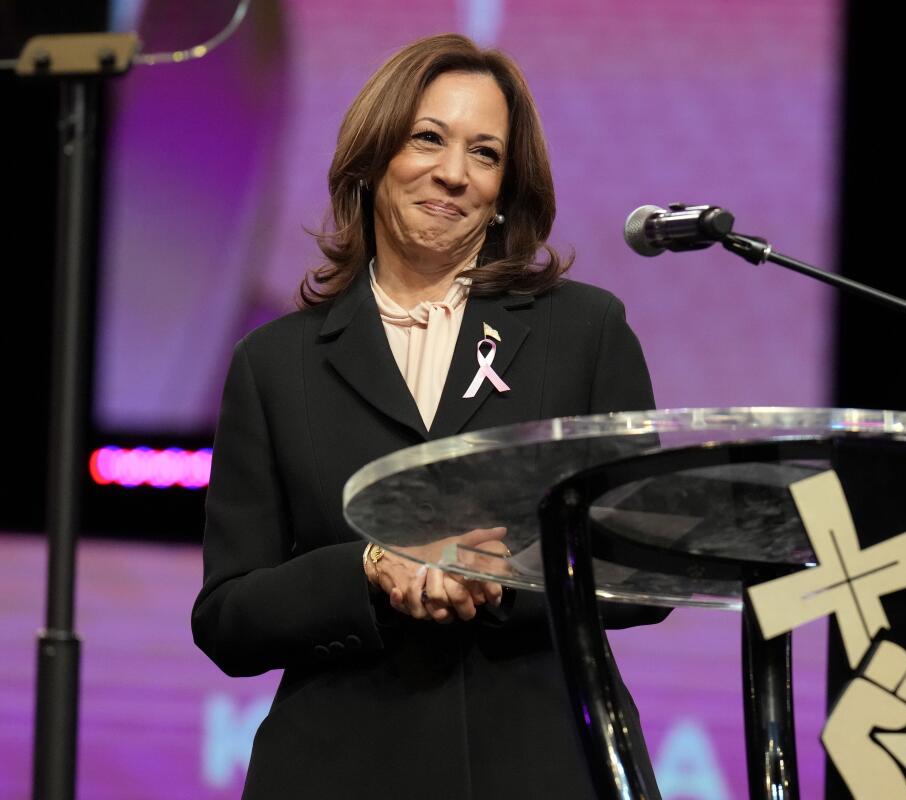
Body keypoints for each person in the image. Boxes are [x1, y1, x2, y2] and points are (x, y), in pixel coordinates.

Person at [191, 33, 667, 799]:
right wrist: (370, 570)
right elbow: (227, 616)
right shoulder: (273, 363)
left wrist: (503, 577)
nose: (453, 173)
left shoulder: (584, 333)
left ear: (507, 187)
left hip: (543, 762)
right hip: (341, 767)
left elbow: (645, 562)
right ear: (374, 159)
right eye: (428, 139)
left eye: (485, 153)